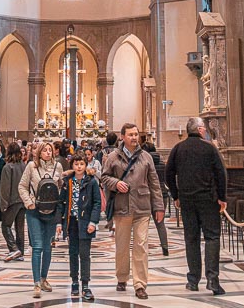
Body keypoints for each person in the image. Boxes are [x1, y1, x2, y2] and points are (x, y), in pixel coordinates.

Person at [100, 123, 163, 300]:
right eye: (130, 135)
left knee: (141, 246)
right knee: (122, 246)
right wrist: (115, 183)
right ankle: (122, 277)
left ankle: (140, 284)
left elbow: (155, 183)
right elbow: (104, 177)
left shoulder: (146, 157)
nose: (134, 137)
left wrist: (158, 206)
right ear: (122, 137)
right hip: (122, 207)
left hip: (142, 207)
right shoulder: (113, 157)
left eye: (136, 134)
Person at [166, 117, 228, 294]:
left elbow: (169, 174)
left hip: (186, 200)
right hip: (208, 199)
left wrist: (176, 195)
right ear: (200, 130)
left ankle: (193, 280)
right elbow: (221, 174)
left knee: (191, 239)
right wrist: (222, 197)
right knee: (212, 237)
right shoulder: (210, 148)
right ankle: (213, 280)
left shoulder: (178, 148)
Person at [18, 140, 64, 298]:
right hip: (34, 211)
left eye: (50, 150)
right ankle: (36, 282)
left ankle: (44, 278)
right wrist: (28, 203)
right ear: (39, 152)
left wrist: (59, 211)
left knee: (48, 247)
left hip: (51, 211)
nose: (48, 153)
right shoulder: (31, 166)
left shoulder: (58, 167)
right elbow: (22, 186)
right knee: (37, 247)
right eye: (45, 150)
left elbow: (61, 187)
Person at [59, 154, 101, 303]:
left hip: (85, 222)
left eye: (81, 164)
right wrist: (60, 223)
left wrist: (93, 222)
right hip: (71, 223)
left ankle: (85, 284)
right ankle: (74, 281)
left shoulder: (91, 182)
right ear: (72, 166)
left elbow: (97, 202)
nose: (79, 167)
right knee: (72, 253)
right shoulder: (67, 182)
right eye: (76, 164)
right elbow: (62, 202)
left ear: (86, 165)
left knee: (84, 254)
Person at [140, 135, 169, 256]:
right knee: (160, 223)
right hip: (163, 194)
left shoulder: (143, 163)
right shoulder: (162, 163)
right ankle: (165, 247)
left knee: (143, 223)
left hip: (147, 195)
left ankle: (143, 248)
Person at [0, 142, 28, 262]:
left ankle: (13, 248)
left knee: (5, 225)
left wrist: (3, 203)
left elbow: (5, 187)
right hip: (22, 200)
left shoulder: (8, 167)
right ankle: (20, 252)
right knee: (19, 227)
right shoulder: (24, 166)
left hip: (12, 201)